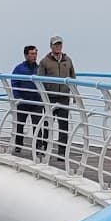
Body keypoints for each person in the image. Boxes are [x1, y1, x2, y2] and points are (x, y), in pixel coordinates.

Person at [39, 35, 77, 165]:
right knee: (48, 124)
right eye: (55, 45)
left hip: (64, 97)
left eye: (59, 44)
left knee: (63, 126)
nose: (58, 47)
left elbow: (73, 77)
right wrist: (43, 95)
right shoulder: (45, 61)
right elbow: (40, 79)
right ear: (51, 46)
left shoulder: (68, 60)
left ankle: (62, 152)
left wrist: (74, 94)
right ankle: (46, 147)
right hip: (50, 97)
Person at [11, 44, 44, 157]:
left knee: (38, 124)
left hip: (36, 101)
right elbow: (14, 82)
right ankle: (18, 145)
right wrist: (17, 97)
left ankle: (38, 146)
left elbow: (43, 82)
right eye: (32, 54)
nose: (34, 56)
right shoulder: (19, 68)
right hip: (23, 101)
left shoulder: (39, 68)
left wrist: (42, 97)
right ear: (26, 55)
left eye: (35, 53)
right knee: (20, 124)